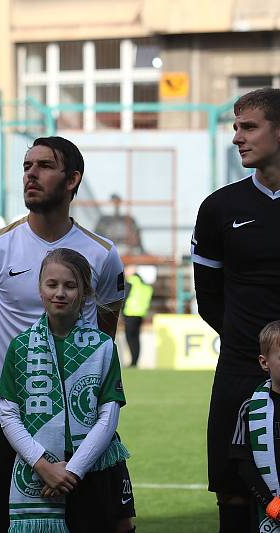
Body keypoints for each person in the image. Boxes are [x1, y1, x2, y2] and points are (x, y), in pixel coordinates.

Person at [0, 136, 129, 533]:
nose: (31, 175)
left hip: (85, 426)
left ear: (72, 180)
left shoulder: (102, 254)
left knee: (109, 525)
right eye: (26, 166)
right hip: (13, 425)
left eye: (43, 166)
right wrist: (12, 390)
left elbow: (104, 334)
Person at [192, 88, 280, 532]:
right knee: (232, 489)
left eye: (249, 127)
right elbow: (208, 296)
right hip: (239, 369)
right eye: (235, 128)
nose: (237, 138)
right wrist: (249, 340)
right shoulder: (219, 207)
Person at [0, 249, 131, 533]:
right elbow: (8, 415)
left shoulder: (103, 346)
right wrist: (44, 466)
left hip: (94, 469)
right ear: (40, 288)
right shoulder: (20, 346)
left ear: (84, 293)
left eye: (70, 286)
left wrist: (72, 470)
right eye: (52, 284)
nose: (60, 293)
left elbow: (108, 417)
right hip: (38, 471)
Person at [232, 321, 280, 533]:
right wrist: (270, 501)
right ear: (264, 362)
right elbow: (243, 460)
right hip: (268, 507)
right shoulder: (250, 408)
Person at [122, 265, 153, 368]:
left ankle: (133, 362)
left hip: (130, 313)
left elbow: (124, 297)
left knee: (130, 338)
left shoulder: (131, 281)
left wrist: (120, 310)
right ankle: (135, 361)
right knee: (136, 338)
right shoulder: (143, 284)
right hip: (140, 314)